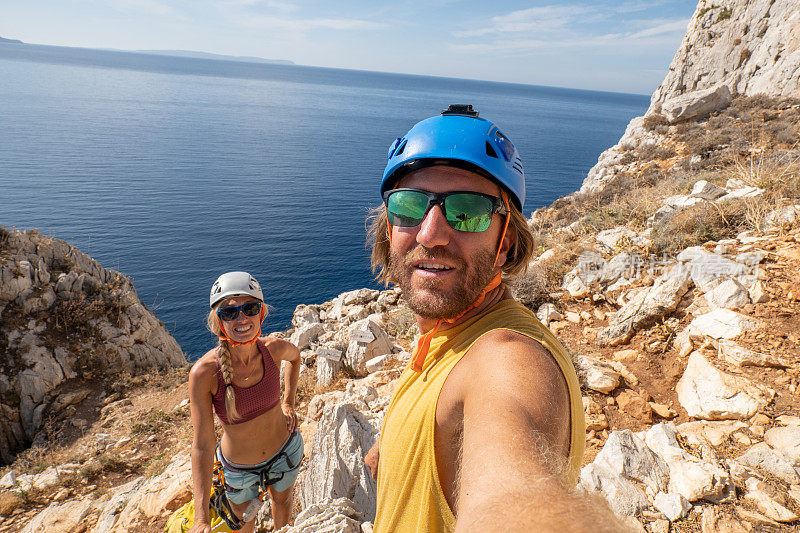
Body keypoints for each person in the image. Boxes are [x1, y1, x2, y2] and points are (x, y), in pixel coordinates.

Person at [364, 105, 624, 532]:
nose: (430, 233)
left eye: (468, 210)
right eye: (409, 206)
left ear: (505, 243)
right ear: (390, 228)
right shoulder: (447, 327)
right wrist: (391, 447)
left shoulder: (507, 357)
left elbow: (514, 499)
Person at [188, 271, 303, 533]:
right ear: (218, 321)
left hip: (285, 451)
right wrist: (201, 518)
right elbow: (202, 446)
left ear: (261, 313)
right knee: (243, 526)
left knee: (283, 506)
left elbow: (295, 358)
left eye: (249, 308)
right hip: (239, 472)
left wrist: (288, 403)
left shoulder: (273, 349)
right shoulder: (204, 373)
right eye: (229, 313)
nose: (242, 319)